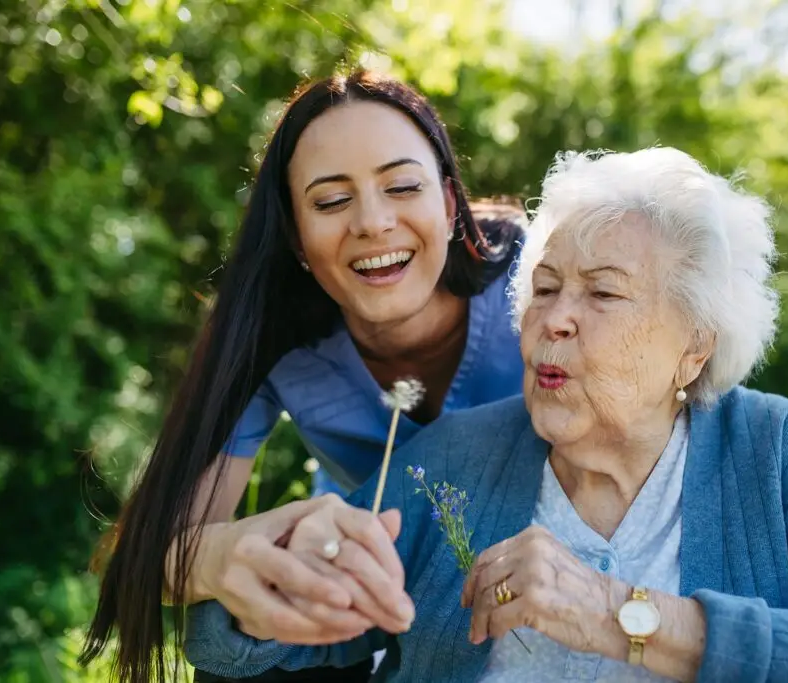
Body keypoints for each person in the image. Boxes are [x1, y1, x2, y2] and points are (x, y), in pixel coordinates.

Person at [184, 147, 788, 682]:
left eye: (602, 292)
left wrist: (627, 618)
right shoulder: (454, 457)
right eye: (544, 287)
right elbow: (233, 642)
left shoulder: (770, 450)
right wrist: (272, 575)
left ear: (695, 347)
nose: (554, 318)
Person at [80, 70, 528, 683]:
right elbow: (131, 554)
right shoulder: (268, 334)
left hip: (549, 587)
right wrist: (223, 555)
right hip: (375, 600)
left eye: (401, 185)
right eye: (330, 201)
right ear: (294, 236)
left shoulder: (543, 280)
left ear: (449, 204)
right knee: (232, 624)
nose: (372, 222)